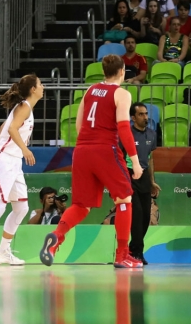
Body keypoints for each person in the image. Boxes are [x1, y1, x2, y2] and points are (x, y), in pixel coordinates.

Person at [39, 54, 145, 269]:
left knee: (81, 205)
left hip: (82, 150)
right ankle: (122, 255)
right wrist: (135, 160)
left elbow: (79, 125)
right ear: (123, 71)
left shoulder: (89, 91)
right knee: (124, 200)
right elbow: (124, 128)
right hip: (105, 149)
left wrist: (88, 144)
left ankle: (57, 236)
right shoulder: (122, 94)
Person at [0, 75, 44, 266]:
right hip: (4, 161)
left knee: (21, 207)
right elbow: (12, 129)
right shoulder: (23, 106)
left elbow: (3, 127)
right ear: (32, 89)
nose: (43, 87)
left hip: (14, 162)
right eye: (40, 84)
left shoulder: (26, 108)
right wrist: (22, 149)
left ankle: (3, 251)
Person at [125, 103, 160, 264]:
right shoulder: (126, 134)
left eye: (146, 114)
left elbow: (150, 158)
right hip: (129, 175)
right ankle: (136, 251)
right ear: (133, 118)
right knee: (137, 215)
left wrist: (152, 181)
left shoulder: (152, 134)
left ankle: (135, 249)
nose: (145, 117)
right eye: (141, 114)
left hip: (145, 176)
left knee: (146, 216)